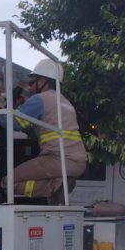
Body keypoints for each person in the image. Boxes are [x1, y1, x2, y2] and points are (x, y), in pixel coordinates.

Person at [5, 59, 86, 201]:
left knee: (8, 181)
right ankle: (57, 184)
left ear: (43, 81)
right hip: (78, 162)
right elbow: (43, 133)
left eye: (32, 82)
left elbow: (11, 123)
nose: (30, 87)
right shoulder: (65, 102)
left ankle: (54, 186)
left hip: (57, 159)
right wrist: (27, 127)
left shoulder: (40, 99)